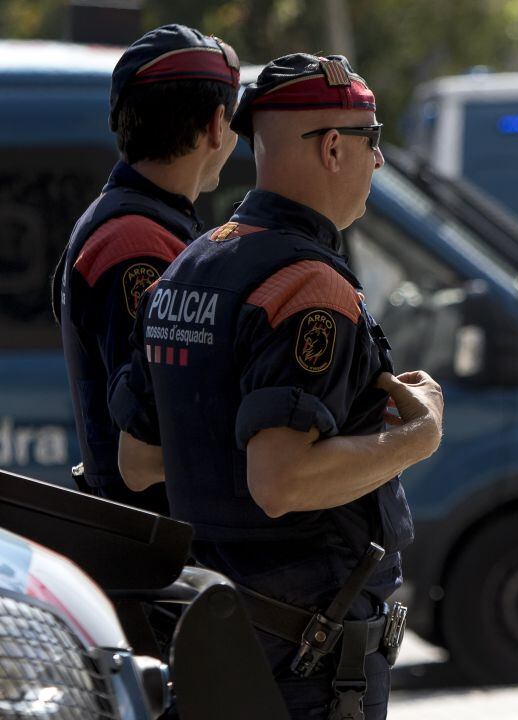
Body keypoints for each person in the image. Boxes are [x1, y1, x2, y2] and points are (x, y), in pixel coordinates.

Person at [109, 53, 444, 719]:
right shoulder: (309, 287)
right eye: (371, 141)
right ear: (331, 148)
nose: (377, 163)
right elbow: (281, 482)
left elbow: (138, 462)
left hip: (215, 632)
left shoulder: (189, 267)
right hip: (304, 664)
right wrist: (416, 437)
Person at [55, 24, 239, 513]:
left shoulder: (136, 223)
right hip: (153, 551)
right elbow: (148, 431)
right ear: (218, 124)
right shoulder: (136, 243)